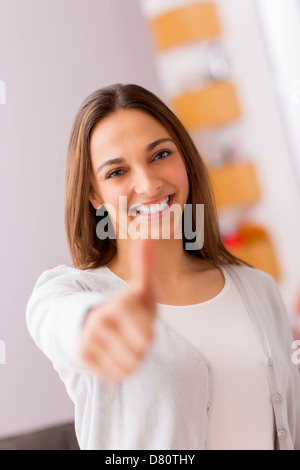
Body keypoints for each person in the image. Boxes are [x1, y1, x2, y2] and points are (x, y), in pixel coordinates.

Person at [26, 83, 300, 450]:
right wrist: (92, 324)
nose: (149, 183)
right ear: (94, 195)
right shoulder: (74, 294)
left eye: (159, 155)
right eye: (116, 172)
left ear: (184, 159)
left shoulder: (256, 287)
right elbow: (55, 319)